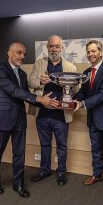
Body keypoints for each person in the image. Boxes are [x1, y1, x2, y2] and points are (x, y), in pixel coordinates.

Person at [0, 42, 58, 198]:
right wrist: (39, 98)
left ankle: (18, 183)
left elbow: (25, 94)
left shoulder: (22, 74)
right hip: (2, 118)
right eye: (18, 53)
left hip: (20, 119)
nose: (22, 56)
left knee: (19, 154)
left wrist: (40, 101)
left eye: (24, 54)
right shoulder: (0, 69)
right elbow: (13, 91)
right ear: (9, 53)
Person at [28, 35, 77, 186]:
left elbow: (76, 88)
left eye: (57, 46)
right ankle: (45, 170)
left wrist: (67, 85)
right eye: (51, 46)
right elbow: (30, 82)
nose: (54, 49)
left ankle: (61, 172)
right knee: (45, 144)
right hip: (42, 113)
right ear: (47, 47)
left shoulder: (70, 67)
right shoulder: (39, 63)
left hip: (61, 115)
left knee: (62, 145)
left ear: (62, 48)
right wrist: (40, 81)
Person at [74, 40, 103, 198]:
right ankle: (97, 174)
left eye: (93, 51)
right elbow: (83, 92)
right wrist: (74, 100)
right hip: (93, 118)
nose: (90, 54)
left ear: (100, 53)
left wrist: (83, 103)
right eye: (88, 51)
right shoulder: (86, 72)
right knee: (95, 148)